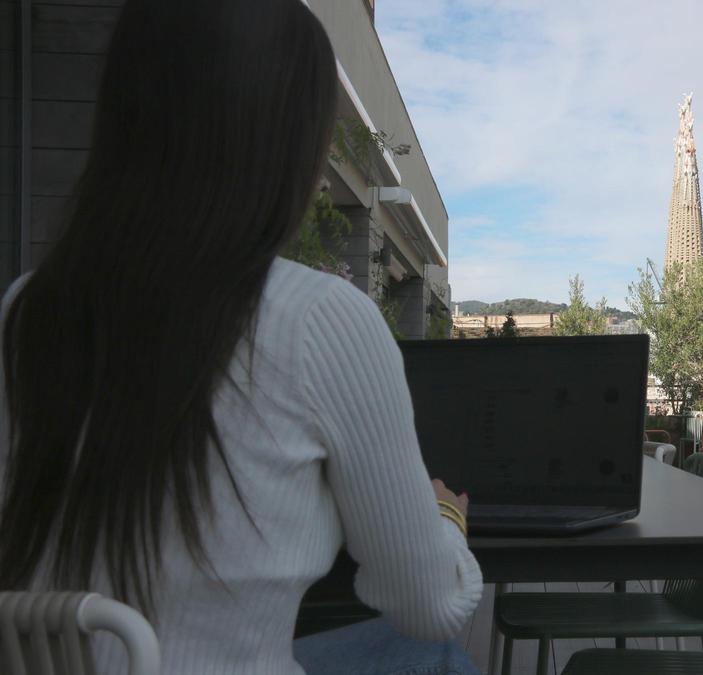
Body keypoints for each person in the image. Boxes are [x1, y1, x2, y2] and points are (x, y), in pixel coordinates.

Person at [0, 1, 482, 673]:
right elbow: (429, 602)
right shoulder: (319, 318)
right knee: (433, 653)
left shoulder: (25, 310)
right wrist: (444, 519)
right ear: (285, 149)